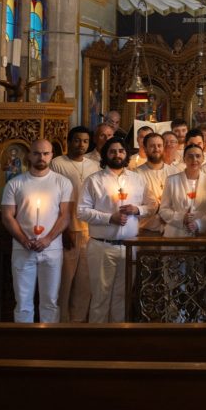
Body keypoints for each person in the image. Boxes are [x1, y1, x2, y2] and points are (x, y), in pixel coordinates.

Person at [1, 139, 72, 323]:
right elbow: (7, 216)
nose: (41, 157)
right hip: (23, 249)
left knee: (50, 301)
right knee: (23, 301)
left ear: (51, 155)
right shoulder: (15, 183)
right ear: (29, 155)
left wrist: (47, 239)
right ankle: (23, 344)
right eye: (37, 153)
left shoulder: (62, 183)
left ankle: (49, 344)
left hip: (52, 249)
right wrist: (24, 240)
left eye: (46, 153)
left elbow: (65, 216)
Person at [80, 137, 147, 322]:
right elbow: (82, 211)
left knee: (122, 296)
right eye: (112, 151)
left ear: (126, 154)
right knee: (100, 296)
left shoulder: (137, 179)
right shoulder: (93, 180)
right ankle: (97, 341)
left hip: (130, 246)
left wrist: (137, 209)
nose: (117, 155)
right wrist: (110, 218)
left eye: (121, 151)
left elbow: (151, 205)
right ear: (105, 155)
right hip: (102, 246)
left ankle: (118, 339)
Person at [50, 126, 100, 322]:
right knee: (64, 281)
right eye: (77, 140)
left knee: (84, 283)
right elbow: (53, 200)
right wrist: (63, 228)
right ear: (69, 142)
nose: (81, 145)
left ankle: (78, 324)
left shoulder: (94, 165)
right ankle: (61, 322)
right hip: (68, 229)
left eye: (85, 141)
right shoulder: (57, 164)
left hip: (90, 231)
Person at [162, 143, 206, 237]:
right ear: (184, 159)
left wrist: (199, 223)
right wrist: (181, 218)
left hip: (202, 232)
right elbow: (163, 210)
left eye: (198, 156)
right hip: (176, 233)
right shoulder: (171, 180)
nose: (194, 160)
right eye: (190, 156)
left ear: (203, 158)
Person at [137, 132, 183, 236]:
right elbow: (137, 202)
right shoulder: (136, 174)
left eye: (159, 145)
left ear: (163, 147)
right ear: (145, 149)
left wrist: (167, 214)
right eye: (152, 146)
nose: (156, 149)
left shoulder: (174, 172)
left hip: (172, 228)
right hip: (147, 229)